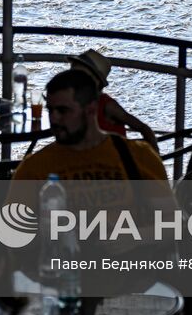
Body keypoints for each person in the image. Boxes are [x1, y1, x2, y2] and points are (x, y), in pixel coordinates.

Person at [12, 69, 170, 213]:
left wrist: (131, 238)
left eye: (63, 110)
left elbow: (173, 223)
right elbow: (11, 235)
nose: (54, 118)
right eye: (50, 110)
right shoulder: (33, 168)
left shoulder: (137, 155)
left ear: (91, 109)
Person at [68, 50, 158, 149]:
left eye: (79, 76)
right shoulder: (73, 103)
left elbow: (142, 128)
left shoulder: (107, 105)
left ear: (96, 82)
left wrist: (154, 156)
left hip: (112, 160)